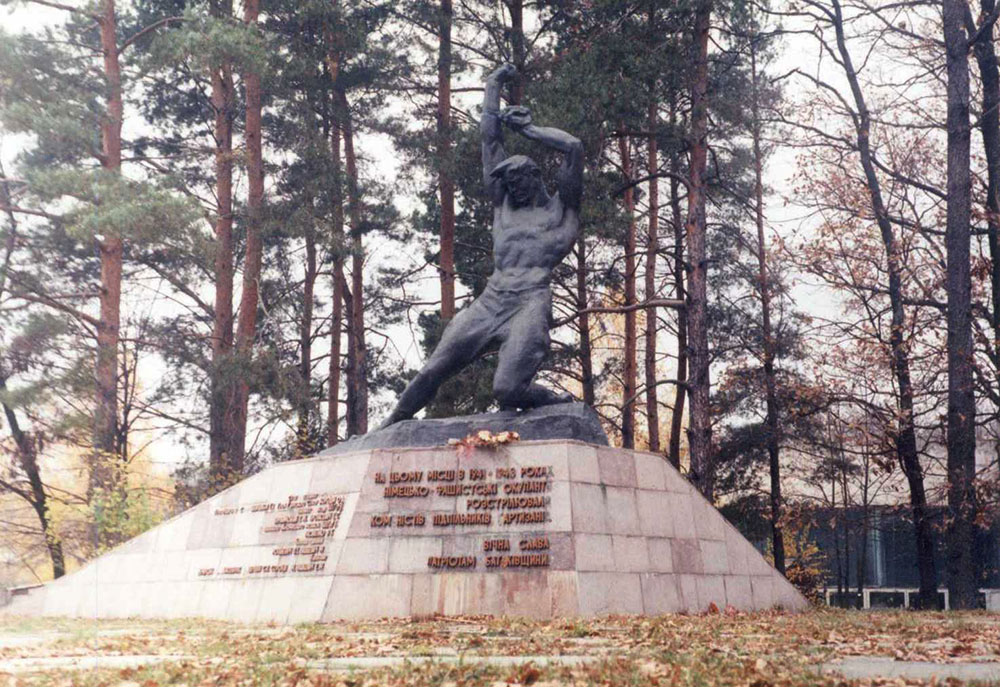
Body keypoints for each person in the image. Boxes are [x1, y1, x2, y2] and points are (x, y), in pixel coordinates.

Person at [379, 63, 583, 429]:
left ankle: (550, 399)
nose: (512, 187)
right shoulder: (503, 206)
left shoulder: (561, 211)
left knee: (506, 390)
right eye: (508, 181)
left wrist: (530, 130)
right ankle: (389, 426)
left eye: (519, 179)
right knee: (434, 368)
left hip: (530, 301)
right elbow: (489, 141)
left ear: (536, 177)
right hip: (491, 299)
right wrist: (491, 88)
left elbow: (573, 147)